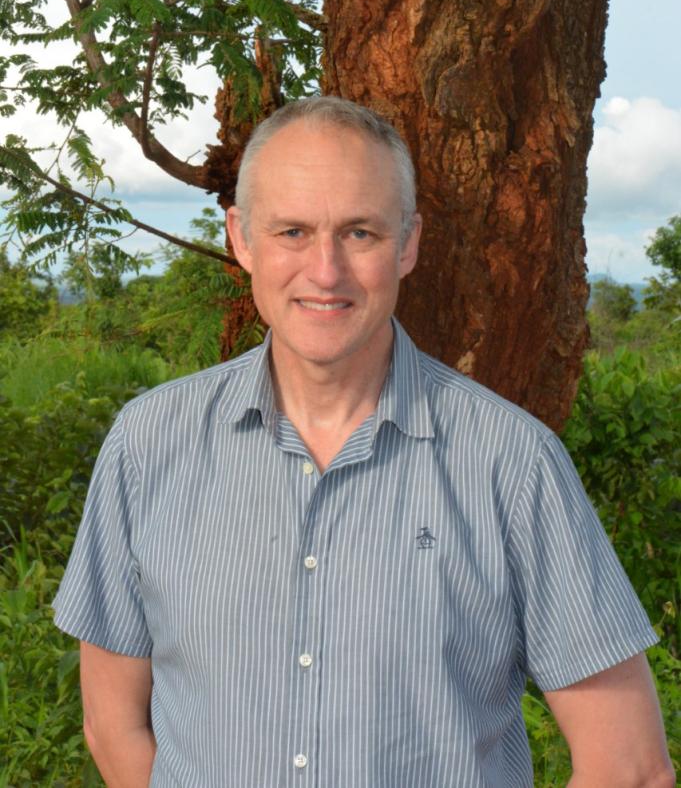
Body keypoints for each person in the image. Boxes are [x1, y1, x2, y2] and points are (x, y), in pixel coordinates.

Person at [53, 97, 674, 787]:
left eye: (359, 234)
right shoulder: (147, 447)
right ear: (241, 238)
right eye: (291, 231)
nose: (325, 272)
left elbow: (629, 767)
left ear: (406, 243)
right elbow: (113, 725)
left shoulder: (511, 464)